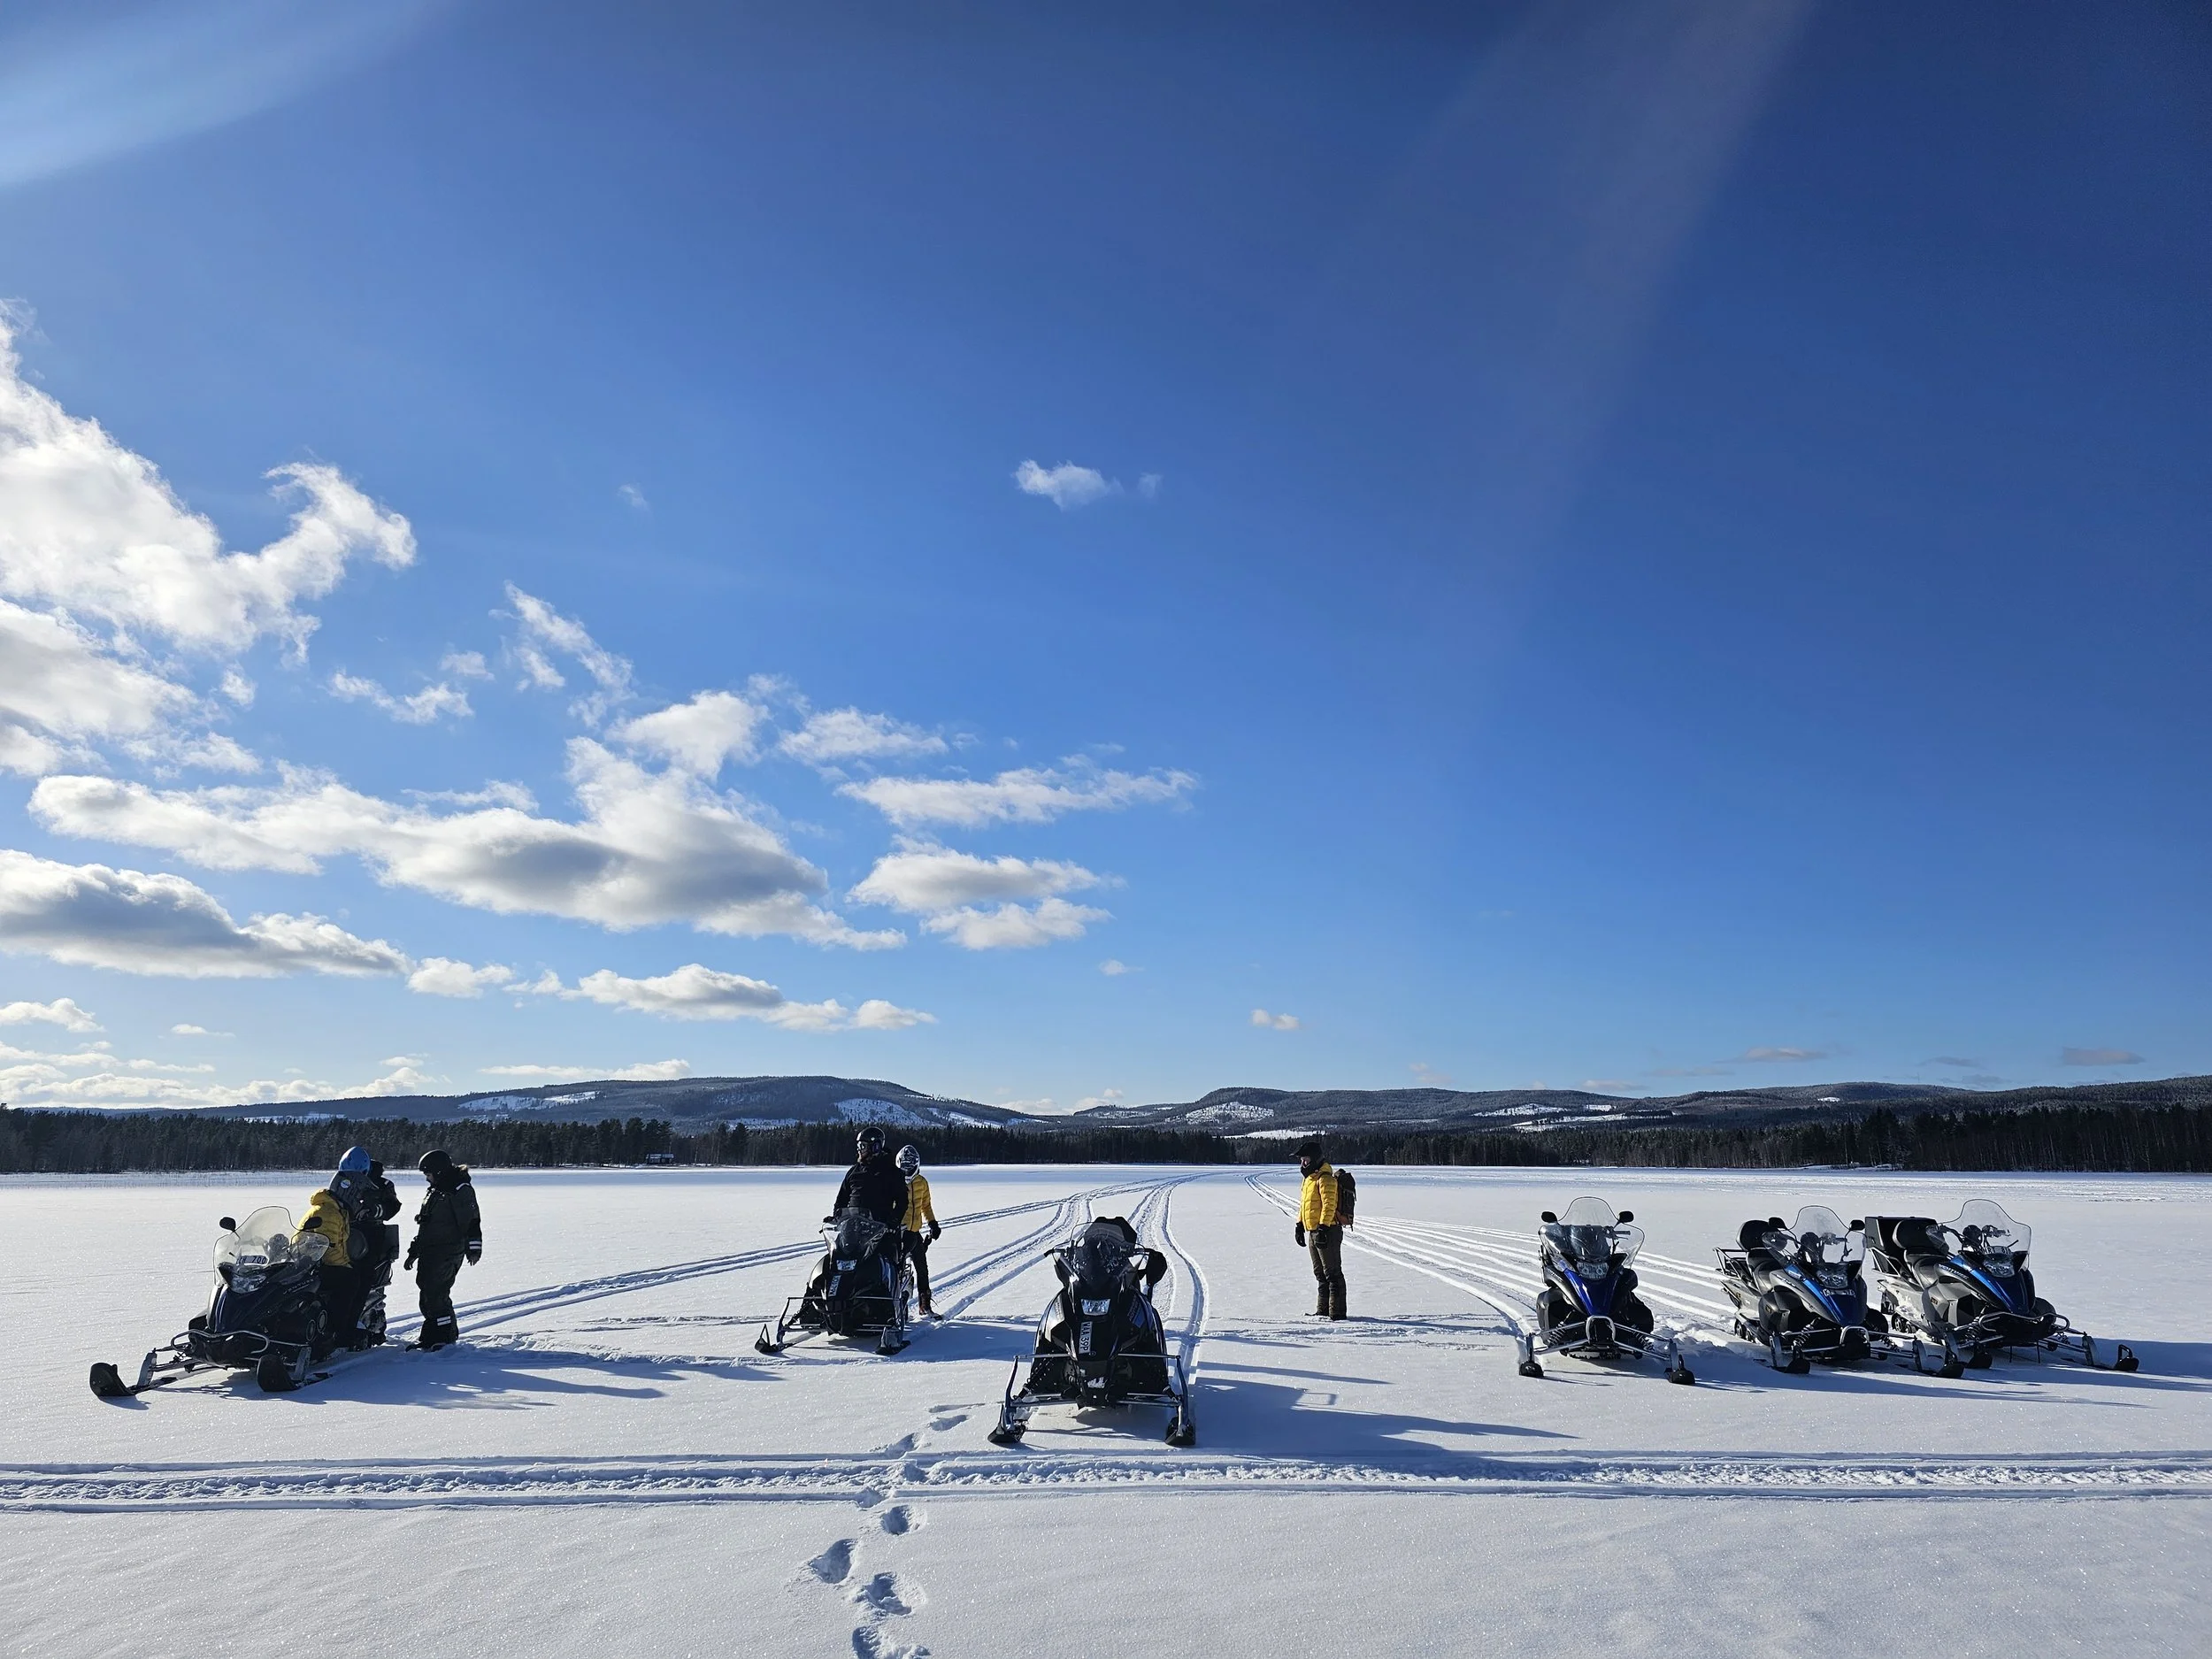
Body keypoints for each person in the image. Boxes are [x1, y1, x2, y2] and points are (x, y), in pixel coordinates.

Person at [299, 1146, 400, 1348]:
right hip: (346, 1229)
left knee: (359, 1278)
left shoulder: (381, 1183)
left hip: (369, 1235)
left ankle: (346, 1327)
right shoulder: (341, 1186)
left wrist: (375, 1210)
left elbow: (393, 1206)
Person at [404, 1148, 482, 1350]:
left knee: (436, 1293)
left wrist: (474, 1246)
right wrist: (414, 1251)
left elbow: (472, 1220)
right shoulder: (436, 1189)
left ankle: (444, 1337)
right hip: (431, 1250)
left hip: (448, 1251)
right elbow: (427, 1224)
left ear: (438, 1171)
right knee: (427, 1291)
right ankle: (432, 1336)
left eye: (428, 1174)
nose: (427, 1178)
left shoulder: (459, 1189)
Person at [1292, 1140, 1347, 1320]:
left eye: (1305, 1160)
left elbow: (1329, 1205)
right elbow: (1305, 1205)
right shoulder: (1309, 1180)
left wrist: (1323, 1227)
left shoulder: (1325, 1179)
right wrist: (1300, 1225)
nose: (1302, 1164)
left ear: (1315, 1159)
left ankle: (1337, 1313)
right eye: (1301, 1160)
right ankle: (1322, 1312)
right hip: (1313, 1231)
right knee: (1320, 1274)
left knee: (1332, 1273)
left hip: (1328, 1231)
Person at [831, 1126, 909, 1231]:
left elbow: (902, 1202)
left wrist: (893, 1221)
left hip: (881, 1231)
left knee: (889, 1246)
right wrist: (838, 1216)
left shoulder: (892, 1172)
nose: (859, 1150)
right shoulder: (853, 1172)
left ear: (875, 1147)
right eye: (858, 1146)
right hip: (854, 1230)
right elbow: (842, 1198)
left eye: (862, 1146)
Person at [896, 1146, 943, 1317]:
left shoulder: (922, 1182)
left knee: (922, 1269)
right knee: (896, 1269)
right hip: (898, 1232)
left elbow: (926, 1205)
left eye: (911, 1165)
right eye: (905, 1165)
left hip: (914, 1232)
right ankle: (895, 1304)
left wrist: (932, 1223)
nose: (908, 1168)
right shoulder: (895, 1181)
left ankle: (925, 1306)